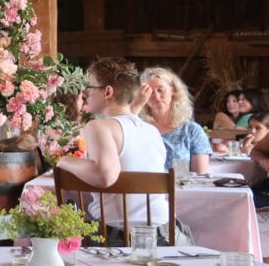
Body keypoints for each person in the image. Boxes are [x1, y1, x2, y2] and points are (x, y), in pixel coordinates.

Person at [58, 58, 191, 245]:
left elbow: (105, 176)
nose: (86, 93)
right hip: (167, 235)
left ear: (108, 91)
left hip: (118, 238)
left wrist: (63, 161)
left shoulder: (98, 126)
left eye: (90, 87)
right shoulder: (151, 130)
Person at [133, 67, 212, 174]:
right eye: (150, 92)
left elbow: (200, 176)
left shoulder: (191, 131)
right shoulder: (137, 128)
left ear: (172, 90)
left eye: (160, 90)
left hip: (181, 189)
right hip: (143, 189)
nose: (156, 96)